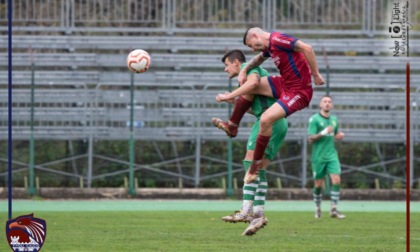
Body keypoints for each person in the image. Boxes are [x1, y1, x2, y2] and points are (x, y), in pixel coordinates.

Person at [215, 27, 325, 184]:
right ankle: (232, 125)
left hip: (298, 91)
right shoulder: (270, 47)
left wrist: (315, 74)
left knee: (266, 119)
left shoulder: (277, 40)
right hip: (285, 84)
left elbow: (307, 47)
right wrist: (244, 70)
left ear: (255, 35)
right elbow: (258, 59)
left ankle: (255, 167)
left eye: (251, 45)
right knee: (249, 84)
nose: (252, 49)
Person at [213, 50, 288, 236]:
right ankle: (258, 215)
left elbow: (253, 82)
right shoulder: (252, 81)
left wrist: (227, 96)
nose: (225, 69)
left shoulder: (248, 68)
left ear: (236, 62)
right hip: (275, 120)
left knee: (250, 163)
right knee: (258, 168)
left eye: (227, 65)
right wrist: (234, 101)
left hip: (269, 120)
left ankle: (246, 211)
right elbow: (255, 108)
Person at [307, 95, 345, 219]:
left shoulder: (334, 119)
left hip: (332, 155)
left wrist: (338, 136)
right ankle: (318, 208)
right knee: (318, 184)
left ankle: (334, 209)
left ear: (332, 105)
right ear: (320, 104)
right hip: (318, 157)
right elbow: (310, 138)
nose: (327, 103)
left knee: (336, 180)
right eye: (325, 101)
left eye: (329, 102)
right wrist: (324, 132)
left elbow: (333, 135)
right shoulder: (315, 119)